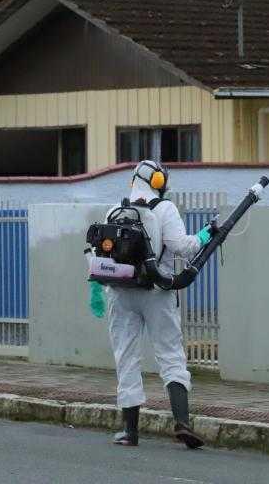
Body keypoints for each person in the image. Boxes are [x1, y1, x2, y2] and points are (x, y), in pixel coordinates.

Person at [91, 160, 213, 448]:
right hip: (158, 291)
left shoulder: (114, 210)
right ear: (158, 181)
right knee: (171, 355)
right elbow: (184, 246)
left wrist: (96, 291)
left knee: (126, 357)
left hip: (121, 293)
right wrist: (207, 234)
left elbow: (100, 254)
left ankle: (130, 432)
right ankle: (182, 422)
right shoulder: (164, 209)